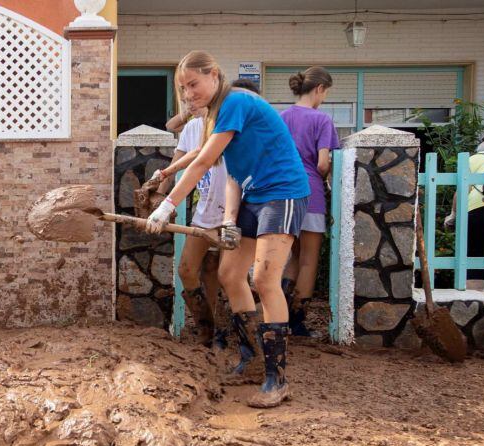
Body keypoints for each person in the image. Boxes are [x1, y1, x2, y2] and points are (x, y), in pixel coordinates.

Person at [145, 51, 310, 408]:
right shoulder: (219, 116)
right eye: (183, 88)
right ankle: (251, 358)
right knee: (230, 273)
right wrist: (231, 219)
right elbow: (222, 165)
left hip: (283, 193)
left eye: (194, 84)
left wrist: (167, 204)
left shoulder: (234, 100)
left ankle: (276, 379)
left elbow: (204, 161)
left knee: (264, 280)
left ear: (214, 75)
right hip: (253, 195)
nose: (188, 94)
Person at [150, 104, 229, 347]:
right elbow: (179, 164)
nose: (189, 101)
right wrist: (158, 196)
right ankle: (207, 328)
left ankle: (228, 332)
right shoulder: (192, 128)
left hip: (235, 209)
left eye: (194, 92)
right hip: (206, 208)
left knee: (226, 273)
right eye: (185, 95)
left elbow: (198, 156)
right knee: (187, 269)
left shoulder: (225, 124)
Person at [279, 67, 341, 336]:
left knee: (290, 254)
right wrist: (325, 177)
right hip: (310, 193)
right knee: (308, 258)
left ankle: (277, 313)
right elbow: (322, 162)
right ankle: (297, 321)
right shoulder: (322, 120)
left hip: (281, 194)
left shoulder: (281, 117)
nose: (324, 98)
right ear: (319, 89)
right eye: (325, 93)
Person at [446, 138, 484, 284]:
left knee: (475, 259)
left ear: (481, 151)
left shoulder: (475, 159)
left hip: (480, 209)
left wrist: (453, 215)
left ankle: (476, 298)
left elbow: (462, 191)